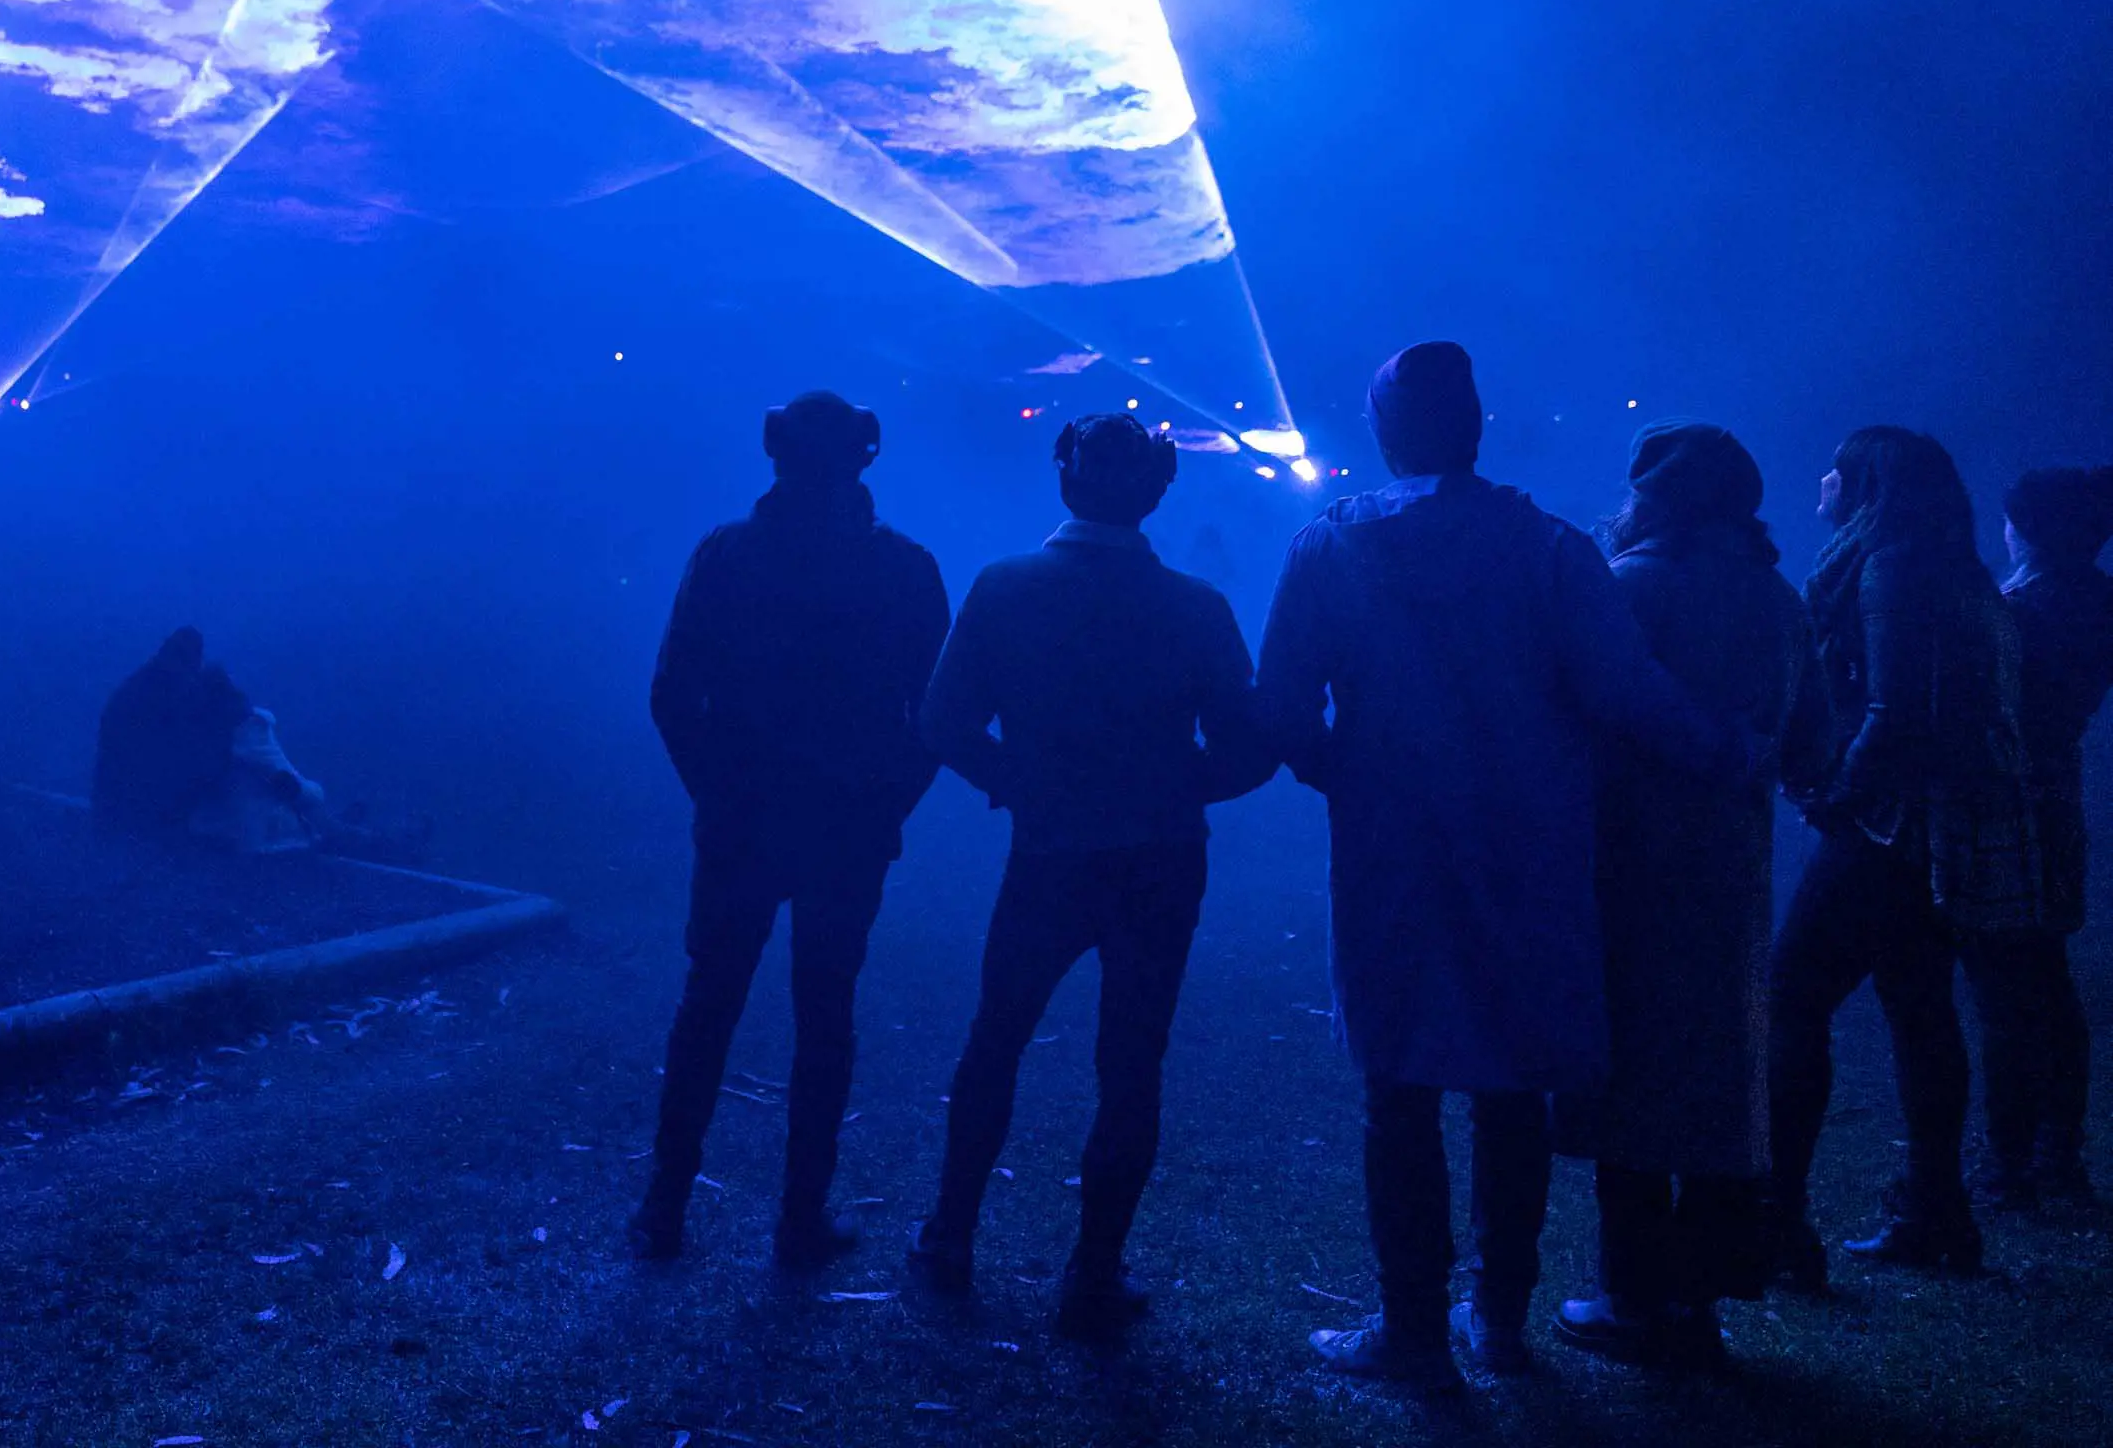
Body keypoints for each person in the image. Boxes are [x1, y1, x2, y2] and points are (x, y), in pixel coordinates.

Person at [1256, 343, 1736, 1388]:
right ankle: (1500, 1319)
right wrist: (1722, 752)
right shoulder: (1549, 547)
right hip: (1530, 844)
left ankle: (1413, 1329)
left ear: (1387, 432)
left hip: (1394, 851)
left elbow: (1282, 702)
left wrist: (1348, 776)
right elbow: (1625, 688)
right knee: (1510, 1081)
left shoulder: (1334, 543)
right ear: (1475, 425)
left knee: (1399, 1084)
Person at [907, 415, 1271, 1340]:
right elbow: (1248, 747)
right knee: (1131, 1062)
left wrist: (1017, 782)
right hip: (1160, 858)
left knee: (998, 1038)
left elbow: (943, 722)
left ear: (1065, 479)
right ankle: (1093, 1274)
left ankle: (950, 1238)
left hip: (1049, 853)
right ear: (1156, 489)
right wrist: (1176, 786)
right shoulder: (1196, 606)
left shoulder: (1005, 587)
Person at [630, 392, 951, 1268]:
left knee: (709, 1005)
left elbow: (672, 695)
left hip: (742, 822)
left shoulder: (725, 554)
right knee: (826, 1014)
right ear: (862, 457)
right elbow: (933, 714)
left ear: (776, 451)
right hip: (847, 829)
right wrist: (887, 804)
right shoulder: (905, 568)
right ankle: (799, 1218)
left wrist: (716, 793)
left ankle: (664, 1208)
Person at [1553, 424, 1831, 1367]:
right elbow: (1814, 745)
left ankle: (1632, 1297)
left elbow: (1579, 713)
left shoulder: (1628, 587)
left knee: (1633, 1075)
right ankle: (1700, 1296)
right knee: (1716, 1076)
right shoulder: (1780, 599)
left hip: (1628, 863)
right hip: (1732, 868)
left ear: (1654, 496)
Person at [1767, 427, 2044, 1283]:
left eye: (1836, 467)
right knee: (1918, 1006)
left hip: (1890, 828)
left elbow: (1893, 712)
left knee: (1790, 997)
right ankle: (1936, 1213)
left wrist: (1837, 794)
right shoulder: (1954, 570)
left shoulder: (1888, 567)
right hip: (1937, 827)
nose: (1822, 478)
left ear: (1864, 483)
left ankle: (1779, 1224)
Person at [1959, 466, 2113, 1211]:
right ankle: (2055, 1156)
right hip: (2053, 798)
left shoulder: (2025, 609)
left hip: (2008, 804)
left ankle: (2012, 1163)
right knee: (2042, 978)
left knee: (2007, 985)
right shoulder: (2092, 598)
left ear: (2030, 528)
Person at [94, 627, 322, 852]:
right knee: (328, 831)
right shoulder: (245, 729)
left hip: (144, 819)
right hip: (248, 841)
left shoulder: (141, 697)